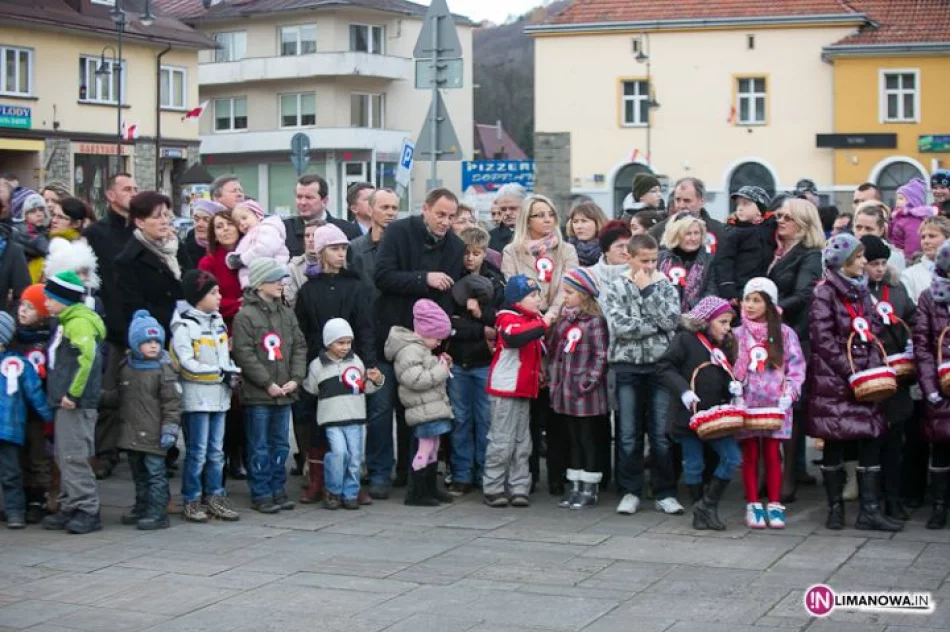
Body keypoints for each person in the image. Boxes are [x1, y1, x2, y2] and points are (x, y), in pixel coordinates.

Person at [369, 188, 463, 499]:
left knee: (423, 410)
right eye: (440, 214)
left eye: (451, 216)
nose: (445, 222)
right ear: (425, 209)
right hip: (391, 336)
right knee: (383, 406)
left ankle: (418, 479)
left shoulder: (455, 245)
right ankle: (380, 472)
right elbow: (382, 276)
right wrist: (424, 278)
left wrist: (439, 342)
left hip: (426, 342)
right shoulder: (398, 232)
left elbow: (447, 296)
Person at [808, 233, 902, 532]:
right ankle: (835, 508)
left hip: (864, 377)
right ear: (844, 261)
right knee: (835, 438)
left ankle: (869, 510)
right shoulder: (824, 292)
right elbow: (822, 339)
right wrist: (850, 370)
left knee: (871, 436)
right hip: (835, 379)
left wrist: (870, 366)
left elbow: (872, 329)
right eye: (859, 257)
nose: (864, 262)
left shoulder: (861, 291)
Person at [294, 223, 377, 504]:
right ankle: (318, 480)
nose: (341, 253)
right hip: (317, 362)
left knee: (350, 421)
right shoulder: (309, 290)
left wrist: (369, 362)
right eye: (334, 248)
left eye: (343, 248)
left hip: (349, 362)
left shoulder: (356, 285)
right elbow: (301, 330)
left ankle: (351, 482)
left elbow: (365, 327)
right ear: (320, 252)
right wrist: (304, 364)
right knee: (317, 423)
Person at [501, 193, 579, 491]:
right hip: (527, 330)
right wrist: (535, 320)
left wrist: (551, 317)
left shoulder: (566, 250)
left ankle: (558, 475)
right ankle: (528, 473)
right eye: (540, 215)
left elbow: (568, 286)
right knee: (530, 409)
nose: (547, 220)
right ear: (527, 219)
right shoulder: (512, 251)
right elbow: (513, 288)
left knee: (557, 408)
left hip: (558, 328)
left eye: (550, 214)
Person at [604, 233, 682, 516]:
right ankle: (629, 490)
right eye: (644, 260)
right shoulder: (615, 287)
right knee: (627, 433)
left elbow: (671, 320)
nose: (649, 266)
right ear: (630, 258)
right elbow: (619, 327)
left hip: (659, 367)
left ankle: (665, 492)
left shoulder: (665, 285)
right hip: (627, 366)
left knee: (661, 434)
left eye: (653, 260)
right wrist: (655, 326)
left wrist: (648, 291)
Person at [657, 296, 742, 531]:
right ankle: (699, 510)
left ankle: (707, 505)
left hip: (716, 416)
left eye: (729, 323)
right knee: (693, 463)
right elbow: (664, 367)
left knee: (732, 457)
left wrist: (732, 386)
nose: (727, 328)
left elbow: (722, 372)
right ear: (706, 321)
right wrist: (683, 390)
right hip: (689, 414)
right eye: (722, 322)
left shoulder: (723, 344)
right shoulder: (685, 339)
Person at [231, 259, 307, 514]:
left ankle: (278, 488)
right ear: (260, 283)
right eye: (274, 279)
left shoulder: (286, 313)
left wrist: (295, 378)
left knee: (281, 445)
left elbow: (299, 346)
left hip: (284, 393)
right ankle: (261, 491)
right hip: (259, 395)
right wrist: (267, 383)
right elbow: (244, 354)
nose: (280, 284)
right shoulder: (245, 316)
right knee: (259, 445)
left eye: (281, 279)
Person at [733, 278, 805, 529]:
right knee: (750, 453)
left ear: (769, 304)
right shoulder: (737, 334)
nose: (750, 305)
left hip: (776, 403)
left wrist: (791, 392)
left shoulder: (784, 333)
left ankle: (774, 504)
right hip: (748, 402)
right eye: (747, 299)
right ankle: (753, 504)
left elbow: (796, 366)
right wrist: (733, 386)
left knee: (773, 453)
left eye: (757, 300)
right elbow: (729, 365)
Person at [171, 269, 242, 523]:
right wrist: (220, 372)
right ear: (198, 296)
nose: (220, 296)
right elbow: (186, 364)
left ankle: (215, 496)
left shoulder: (218, 321)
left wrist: (232, 371)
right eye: (213, 292)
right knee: (197, 452)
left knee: (216, 452)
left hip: (219, 397)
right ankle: (191, 498)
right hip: (197, 399)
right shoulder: (184, 326)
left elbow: (224, 357)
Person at [40, 271, 106, 535]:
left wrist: (74, 393)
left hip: (75, 403)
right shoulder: (67, 321)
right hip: (65, 401)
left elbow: (88, 359)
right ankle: (69, 506)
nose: (46, 303)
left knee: (74, 456)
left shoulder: (78, 322)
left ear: (63, 299)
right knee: (64, 456)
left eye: (50, 298)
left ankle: (87, 509)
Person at [768, 198, 824, 501]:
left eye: (787, 217)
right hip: (772, 335)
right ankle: (773, 472)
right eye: (779, 215)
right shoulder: (777, 251)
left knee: (792, 408)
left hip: (796, 336)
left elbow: (804, 294)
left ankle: (788, 476)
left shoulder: (810, 254)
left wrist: (771, 309)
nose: (780, 220)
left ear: (803, 223)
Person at [446, 226, 505, 495]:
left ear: (485, 253)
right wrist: (481, 329)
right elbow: (448, 324)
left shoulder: (495, 281)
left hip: (484, 361)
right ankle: (462, 473)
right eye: (466, 253)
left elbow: (499, 321)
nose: (470, 258)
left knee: (485, 420)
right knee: (460, 420)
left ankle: (485, 472)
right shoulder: (451, 280)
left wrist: (479, 314)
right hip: (458, 360)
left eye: (476, 253)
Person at [303, 318, 382, 510]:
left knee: (355, 457)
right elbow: (311, 388)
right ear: (328, 343)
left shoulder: (356, 361)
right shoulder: (317, 365)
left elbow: (365, 388)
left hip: (355, 418)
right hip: (331, 420)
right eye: (340, 343)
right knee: (338, 453)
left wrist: (376, 380)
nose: (345, 347)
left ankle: (351, 493)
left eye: (348, 342)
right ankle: (333, 490)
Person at [863, 235, 915, 522]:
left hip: (896, 375)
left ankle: (893, 499)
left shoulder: (896, 289)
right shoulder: (857, 293)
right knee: (873, 442)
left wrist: (910, 342)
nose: (879, 269)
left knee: (895, 442)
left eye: (883, 263)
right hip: (869, 375)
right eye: (873, 264)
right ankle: (872, 501)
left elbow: (912, 319)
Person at [384, 299, 455, 507]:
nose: (439, 343)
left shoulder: (422, 349)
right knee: (424, 448)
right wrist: (441, 370)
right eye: (437, 338)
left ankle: (429, 487)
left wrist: (440, 362)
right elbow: (415, 379)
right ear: (425, 332)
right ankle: (416, 492)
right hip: (422, 409)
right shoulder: (410, 351)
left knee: (433, 447)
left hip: (430, 407)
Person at [547, 268, 608, 509]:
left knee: (587, 437)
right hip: (565, 389)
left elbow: (601, 354)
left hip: (585, 392)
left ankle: (589, 486)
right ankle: (574, 484)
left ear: (583, 294)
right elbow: (556, 352)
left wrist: (588, 381)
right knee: (571, 437)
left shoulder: (594, 321)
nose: (565, 297)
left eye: (570, 292)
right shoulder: (565, 319)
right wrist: (554, 380)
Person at [483, 276, 547, 508]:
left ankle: (520, 486)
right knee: (501, 440)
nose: (538, 300)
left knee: (523, 441)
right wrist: (544, 323)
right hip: (505, 389)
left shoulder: (533, 319)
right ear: (516, 300)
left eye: (538, 295)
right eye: (533, 295)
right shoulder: (507, 318)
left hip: (524, 389)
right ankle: (493, 486)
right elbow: (514, 338)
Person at [115, 310, 181, 531]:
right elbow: (121, 396)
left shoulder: (163, 370)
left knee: (155, 474)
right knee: (138, 473)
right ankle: (142, 506)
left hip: (154, 434)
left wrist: (170, 429)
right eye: (147, 342)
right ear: (135, 344)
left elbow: (172, 403)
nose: (153, 346)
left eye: (157, 341)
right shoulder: (126, 367)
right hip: (132, 433)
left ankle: (158, 511)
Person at [0, 312, 54, 529]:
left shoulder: (18, 364)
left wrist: (48, 419)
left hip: (8, 430)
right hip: (10, 429)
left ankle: (15, 511)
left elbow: (35, 394)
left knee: (11, 473)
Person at [115, 191, 191, 340]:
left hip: (188, 330)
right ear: (140, 222)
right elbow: (134, 307)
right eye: (156, 217)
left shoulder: (176, 246)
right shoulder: (128, 259)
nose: (164, 221)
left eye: (166, 215)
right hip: (156, 336)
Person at [913, 240, 950, 529]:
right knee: (941, 443)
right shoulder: (930, 297)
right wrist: (930, 388)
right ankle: (939, 505)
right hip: (941, 382)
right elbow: (922, 346)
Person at [12, 285, 55, 523]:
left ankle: (38, 498)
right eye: (22, 305)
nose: (23, 311)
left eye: (30, 307)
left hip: (38, 409)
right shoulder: (13, 339)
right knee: (20, 455)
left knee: (38, 454)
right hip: (16, 407)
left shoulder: (47, 340)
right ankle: (22, 497)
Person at [716, 186, 776, 303]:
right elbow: (724, 261)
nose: (740, 208)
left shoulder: (770, 227)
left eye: (746, 204)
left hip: (766, 287)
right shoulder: (733, 231)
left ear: (760, 209)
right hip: (741, 289)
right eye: (738, 204)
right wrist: (728, 289)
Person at [285, 174, 359, 257]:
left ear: (325, 201)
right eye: (299, 197)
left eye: (309, 197)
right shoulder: (284, 230)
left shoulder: (348, 231)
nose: (303, 202)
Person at [658, 214, 718, 312]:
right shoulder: (660, 258)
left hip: (697, 315)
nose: (693, 238)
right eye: (688, 234)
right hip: (664, 314)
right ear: (675, 235)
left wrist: (694, 313)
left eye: (696, 233)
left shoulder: (709, 259)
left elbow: (711, 294)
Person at [648, 177, 725, 252]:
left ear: (701, 202)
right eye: (677, 200)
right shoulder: (657, 232)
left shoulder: (719, 231)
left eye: (687, 201)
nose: (681, 206)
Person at [227, 200, 290, 289]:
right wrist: (232, 258)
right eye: (238, 224)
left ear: (257, 215)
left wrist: (241, 259)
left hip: (271, 277)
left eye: (244, 218)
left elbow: (264, 249)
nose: (242, 223)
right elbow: (241, 251)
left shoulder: (267, 228)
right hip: (255, 283)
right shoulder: (249, 236)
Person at [198, 211, 243, 326]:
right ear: (215, 235)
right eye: (219, 226)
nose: (225, 229)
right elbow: (204, 298)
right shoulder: (207, 263)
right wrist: (238, 305)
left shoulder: (252, 255)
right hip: (222, 325)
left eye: (230, 224)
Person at [349, 188, 399, 293]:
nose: (391, 213)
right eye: (385, 207)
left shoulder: (406, 247)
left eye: (394, 208)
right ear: (370, 210)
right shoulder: (354, 248)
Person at [901, 216, 950, 302]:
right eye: (923, 237)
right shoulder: (909, 275)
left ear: (948, 239)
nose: (926, 241)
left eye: (932, 236)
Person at [587, 219, 632, 307]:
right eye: (620, 246)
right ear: (606, 250)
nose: (625, 251)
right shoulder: (590, 276)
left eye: (629, 246)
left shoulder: (639, 274)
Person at [852, 201, 906, 272]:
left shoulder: (894, 257)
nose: (862, 233)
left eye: (868, 229)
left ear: (881, 230)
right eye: (858, 227)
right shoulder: (847, 253)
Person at [890, 178, 934, 261]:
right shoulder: (899, 217)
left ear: (913, 201)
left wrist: (909, 260)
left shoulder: (913, 220)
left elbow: (913, 245)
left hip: (906, 260)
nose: (897, 202)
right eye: (897, 198)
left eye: (901, 198)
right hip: (897, 257)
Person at [13, 192, 50, 283]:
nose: (39, 214)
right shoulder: (23, 231)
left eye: (41, 210)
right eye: (33, 211)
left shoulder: (43, 230)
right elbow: (44, 248)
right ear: (25, 215)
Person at [284, 220, 321, 310]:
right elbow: (289, 301)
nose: (310, 240)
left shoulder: (334, 264)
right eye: (307, 236)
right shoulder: (294, 267)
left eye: (315, 235)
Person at [183, 199, 226, 269]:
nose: (199, 224)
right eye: (196, 219)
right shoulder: (190, 239)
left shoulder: (225, 246)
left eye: (206, 220)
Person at [566, 202, 607, 267]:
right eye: (575, 222)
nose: (579, 226)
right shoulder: (565, 252)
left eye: (584, 221)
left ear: (597, 222)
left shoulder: (609, 251)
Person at [489, 183, 525, 253]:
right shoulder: (490, 238)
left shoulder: (536, 232)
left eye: (513, 208)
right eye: (503, 209)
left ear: (525, 207)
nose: (507, 213)